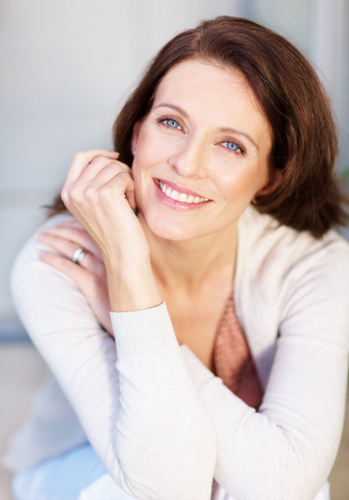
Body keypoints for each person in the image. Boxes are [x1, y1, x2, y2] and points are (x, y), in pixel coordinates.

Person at [5, 15, 349, 500]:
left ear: (271, 177)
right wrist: (127, 267)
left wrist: (127, 318)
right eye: (171, 122)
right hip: (84, 467)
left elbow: (286, 479)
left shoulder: (312, 265)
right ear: (136, 133)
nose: (187, 163)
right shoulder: (60, 261)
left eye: (231, 145)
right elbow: (166, 487)